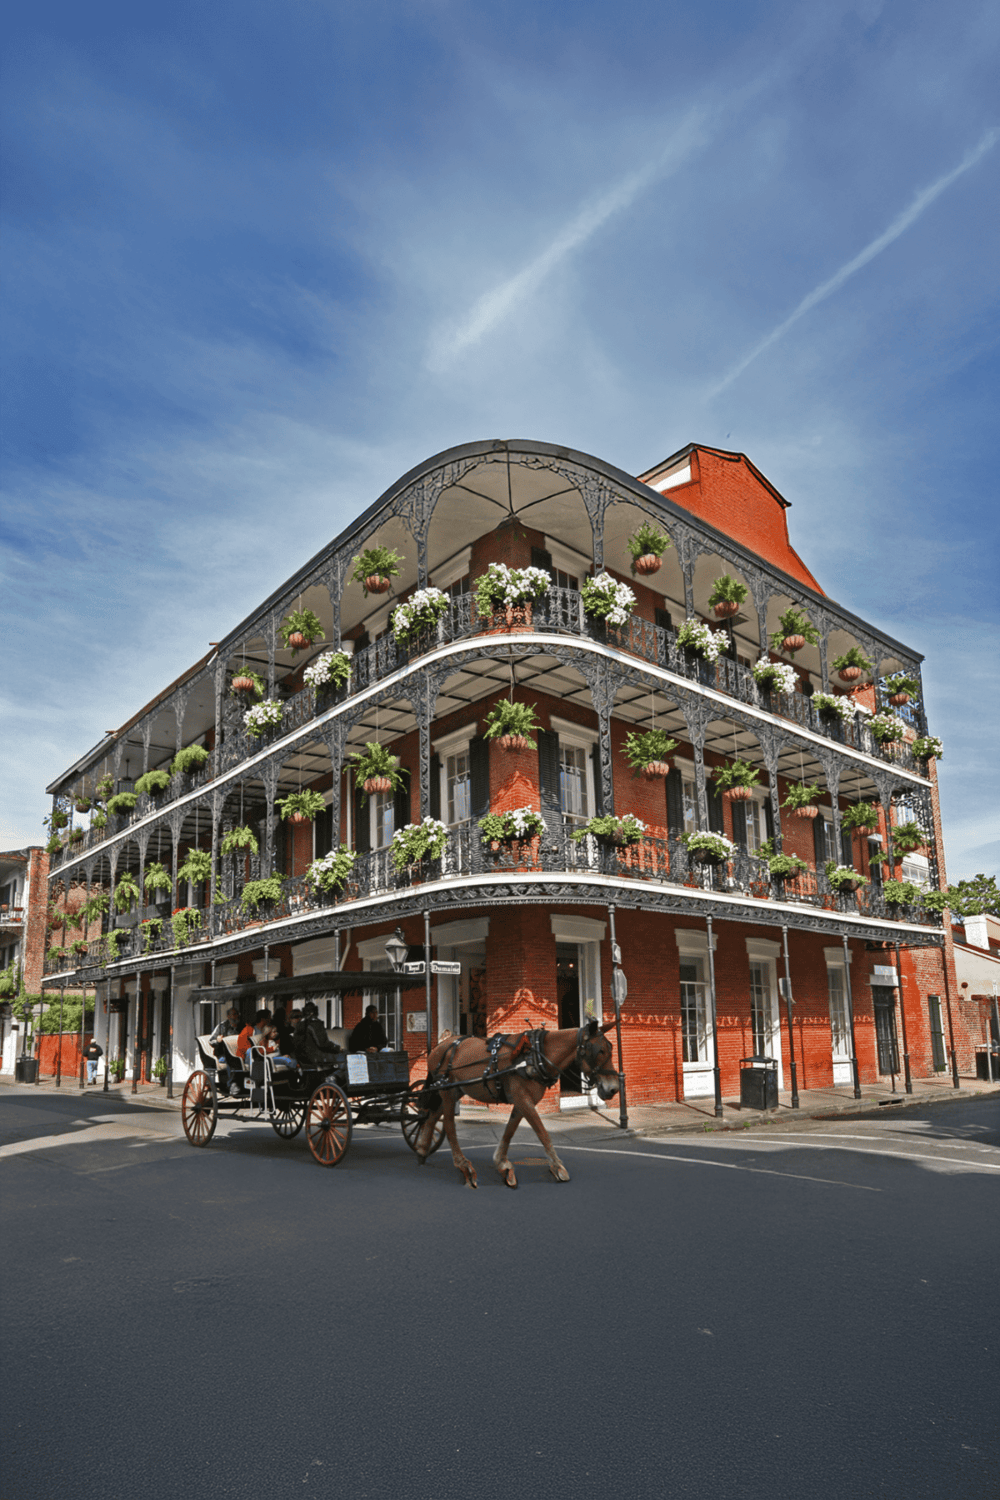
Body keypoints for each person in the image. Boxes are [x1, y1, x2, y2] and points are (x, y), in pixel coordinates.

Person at [294, 1001, 342, 1069]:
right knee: (344, 1057)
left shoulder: (299, 1024)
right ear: (313, 1012)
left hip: (301, 1059)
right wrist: (337, 1048)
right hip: (316, 1058)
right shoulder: (315, 1024)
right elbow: (322, 1043)